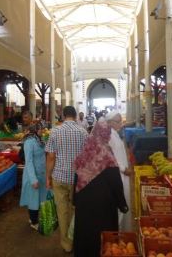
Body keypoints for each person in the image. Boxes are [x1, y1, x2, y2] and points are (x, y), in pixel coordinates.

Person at [73, 120, 128, 257]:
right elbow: (116, 183)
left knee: (85, 235)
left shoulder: (84, 153)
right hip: (104, 207)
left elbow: (77, 179)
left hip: (84, 204)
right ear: (105, 135)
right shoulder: (108, 156)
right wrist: (122, 205)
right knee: (104, 240)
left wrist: (75, 200)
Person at [45, 106, 88, 253]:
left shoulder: (55, 131)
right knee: (77, 210)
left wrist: (47, 176)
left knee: (62, 211)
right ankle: (78, 240)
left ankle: (66, 245)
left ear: (63, 116)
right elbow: (87, 157)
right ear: (76, 116)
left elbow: (51, 157)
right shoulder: (83, 132)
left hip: (59, 177)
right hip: (78, 179)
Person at [106, 111, 133, 231]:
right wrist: (123, 169)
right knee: (120, 204)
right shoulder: (108, 135)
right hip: (118, 175)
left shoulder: (115, 134)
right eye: (118, 122)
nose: (120, 124)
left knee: (123, 203)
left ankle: (121, 232)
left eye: (120, 121)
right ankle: (118, 233)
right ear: (110, 122)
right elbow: (110, 157)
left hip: (122, 173)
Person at [19, 122, 48, 231]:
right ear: (35, 130)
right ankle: (34, 221)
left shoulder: (39, 140)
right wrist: (33, 179)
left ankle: (34, 218)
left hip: (41, 173)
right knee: (33, 199)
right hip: (33, 174)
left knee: (40, 198)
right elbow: (29, 161)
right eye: (41, 129)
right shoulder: (29, 142)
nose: (43, 131)